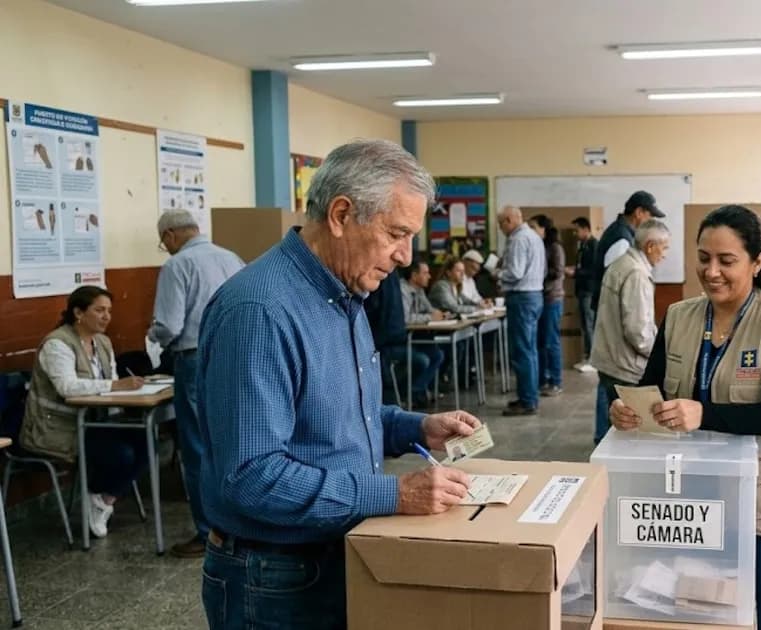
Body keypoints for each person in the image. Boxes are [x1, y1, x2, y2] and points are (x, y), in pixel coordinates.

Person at [196, 139, 480, 628]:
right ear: (341, 214)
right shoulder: (259, 311)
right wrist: (395, 496)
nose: (405, 256)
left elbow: (339, 417)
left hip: (331, 553)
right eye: (397, 233)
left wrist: (417, 427)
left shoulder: (344, 293)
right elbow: (251, 475)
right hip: (274, 577)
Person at [610, 205, 761, 630]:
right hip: (695, 497)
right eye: (704, 258)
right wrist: (628, 410)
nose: (712, 271)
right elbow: (655, 387)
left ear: (758, 262)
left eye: (727, 261)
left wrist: (703, 413)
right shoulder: (680, 317)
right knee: (699, 608)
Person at [149, 209, 245, 559]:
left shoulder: (177, 265)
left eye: (164, 242)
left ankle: (208, 532)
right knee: (230, 439)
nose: (167, 248)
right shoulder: (231, 257)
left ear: (171, 235)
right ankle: (237, 521)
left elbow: (169, 326)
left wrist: (153, 334)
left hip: (195, 358)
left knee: (196, 447)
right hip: (237, 354)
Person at [21, 286, 149, 539]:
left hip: (94, 423)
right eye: (99, 310)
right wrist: (115, 386)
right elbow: (67, 387)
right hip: (57, 430)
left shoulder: (102, 341)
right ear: (78, 312)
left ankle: (103, 499)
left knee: (146, 441)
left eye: (109, 311)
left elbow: (111, 383)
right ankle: (98, 494)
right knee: (121, 454)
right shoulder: (57, 344)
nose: (106, 317)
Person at [590, 219, 669, 444]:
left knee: (609, 426)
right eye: (664, 248)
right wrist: (660, 357)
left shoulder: (621, 263)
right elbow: (638, 331)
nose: (664, 255)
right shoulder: (636, 273)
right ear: (651, 246)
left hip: (610, 357)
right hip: (624, 364)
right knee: (626, 431)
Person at [364, 268, 443, 409]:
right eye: (425, 272)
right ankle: (409, 393)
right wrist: (430, 317)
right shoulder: (397, 286)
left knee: (437, 354)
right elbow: (406, 318)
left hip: (400, 338)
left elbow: (429, 310)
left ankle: (414, 391)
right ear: (414, 274)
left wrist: (437, 314)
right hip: (386, 342)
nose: (429, 276)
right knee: (422, 360)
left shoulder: (417, 290)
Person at [497, 205, 546, 416]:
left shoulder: (518, 239)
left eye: (501, 224)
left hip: (521, 298)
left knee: (522, 352)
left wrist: (498, 273)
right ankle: (530, 396)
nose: (501, 229)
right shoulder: (534, 237)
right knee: (530, 350)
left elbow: (515, 272)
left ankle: (527, 400)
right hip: (535, 295)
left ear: (509, 220)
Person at [589, 190, 667, 314]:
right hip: (611, 312)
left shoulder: (621, 231)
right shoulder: (621, 239)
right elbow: (616, 283)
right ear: (639, 212)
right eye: (650, 215)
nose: (651, 221)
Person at [529, 214, 565, 397]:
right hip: (540, 298)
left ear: (544, 229)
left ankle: (556, 381)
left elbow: (558, 271)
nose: (531, 230)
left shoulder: (555, 247)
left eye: (534, 227)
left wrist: (539, 273)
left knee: (551, 341)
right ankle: (542, 379)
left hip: (552, 298)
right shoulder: (538, 246)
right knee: (540, 342)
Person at [566, 217, 598, 372]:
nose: (575, 233)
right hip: (581, 290)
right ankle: (587, 355)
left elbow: (593, 270)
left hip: (589, 290)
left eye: (577, 230)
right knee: (585, 324)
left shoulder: (593, 245)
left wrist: (575, 272)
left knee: (589, 323)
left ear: (586, 229)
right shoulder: (582, 246)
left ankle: (592, 359)